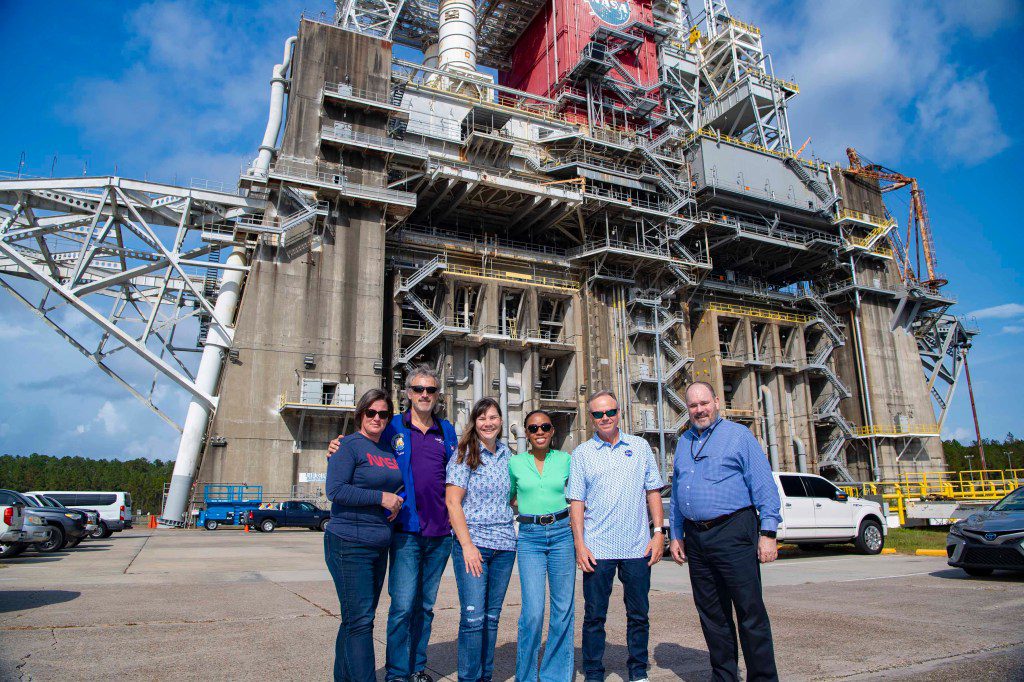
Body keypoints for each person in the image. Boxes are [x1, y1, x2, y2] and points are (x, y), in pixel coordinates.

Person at [327, 366, 458, 682]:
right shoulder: (392, 426)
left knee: (424, 608)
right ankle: (397, 673)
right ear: (408, 393)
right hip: (404, 532)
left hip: (440, 531)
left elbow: (459, 474)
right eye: (418, 389)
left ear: (437, 395)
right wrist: (336, 446)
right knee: (401, 607)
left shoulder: (447, 430)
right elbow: (362, 445)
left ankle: (416, 668)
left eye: (430, 390)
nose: (424, 395)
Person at [669, 381, 783, 682]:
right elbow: (679, 491)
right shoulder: (684, 442)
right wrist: (676, 534)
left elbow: (763, 486)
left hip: (734, 531)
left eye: (704, 403)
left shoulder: (738, 437)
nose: (699, 410)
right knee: (712, 614)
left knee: (749, 612)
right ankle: (723, 677)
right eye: (693, 406)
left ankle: (762, 678)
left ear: (716, 402)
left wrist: (768, 532)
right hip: (696, 537)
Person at [567, 390, 665, 682]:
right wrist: (580, 545)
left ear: (619, 412)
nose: (605, 418)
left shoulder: (640, 446)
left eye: (610, 411)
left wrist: (658, 532)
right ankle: (594, 672)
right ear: (591, 417)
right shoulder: (582, 454)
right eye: (598, 414)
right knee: (594, 617)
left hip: (636, 547)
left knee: (638, 615)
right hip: (598, 549)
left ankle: (637, 671)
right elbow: (577, 503)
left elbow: (653, 492)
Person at [324, 388, 405, 682]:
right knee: (361, 621)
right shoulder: (347, 446)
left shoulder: (387, 449)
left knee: (354, 621)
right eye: (371, 412)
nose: (377, 418)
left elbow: (397, 486)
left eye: (383, 414)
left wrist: (397, 501)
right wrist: (380, 498)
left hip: (378, 543)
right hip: (348, 542)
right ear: (361, 414)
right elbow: (335, 490)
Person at [445, 397, 517, 682]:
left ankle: (484, 676)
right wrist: (467, 546)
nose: (488, 423)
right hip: (474, 545)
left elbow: (513, 498)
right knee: (473, 619)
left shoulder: (508, 456)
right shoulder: (464, 454)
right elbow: (453, 503)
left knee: (491, 618)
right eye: (482, 418)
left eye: (493, 417)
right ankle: (469, 678)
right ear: (474, 422)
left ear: (501, 421)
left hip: (504, 547)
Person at [509, 410, 575, 682]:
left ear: (552, 431)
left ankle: (555, 676)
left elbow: (579, 496)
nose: (539, 432)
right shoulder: (515, 463)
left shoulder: (566, 460)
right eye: (533, 428)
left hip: (562, 535)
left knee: (563, 609)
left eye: (544, 427)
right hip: (530, 537)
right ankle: (526, 676)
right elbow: (509, 497)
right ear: (526, 433)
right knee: (533, 612)